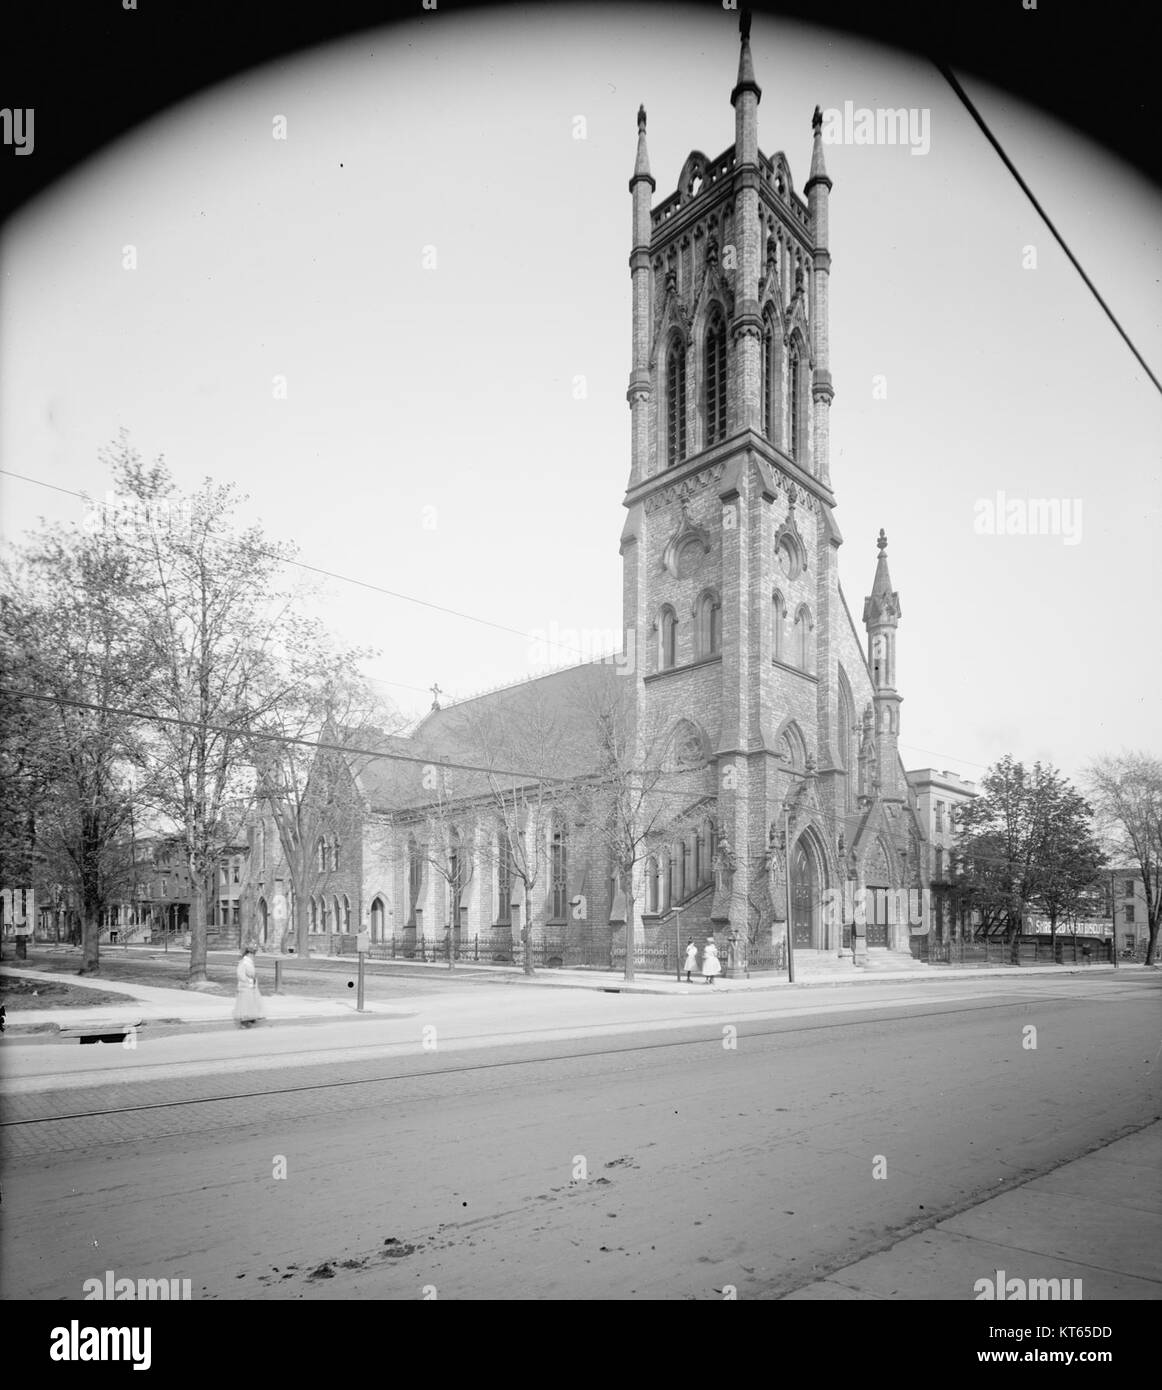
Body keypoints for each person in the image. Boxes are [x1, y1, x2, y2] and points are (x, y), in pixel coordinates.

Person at [234, 943, 265, 1028]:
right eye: (252, 953)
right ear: (249, 953)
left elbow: (252, 972)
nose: (253, 955)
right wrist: (246, 980)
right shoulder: (245, 962)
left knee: (252, 1001)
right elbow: (241, 974)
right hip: (246, 985)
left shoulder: (249, 961)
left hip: (251, 984)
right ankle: (245, 1020)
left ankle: (252, 1017)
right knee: (245, 1003)